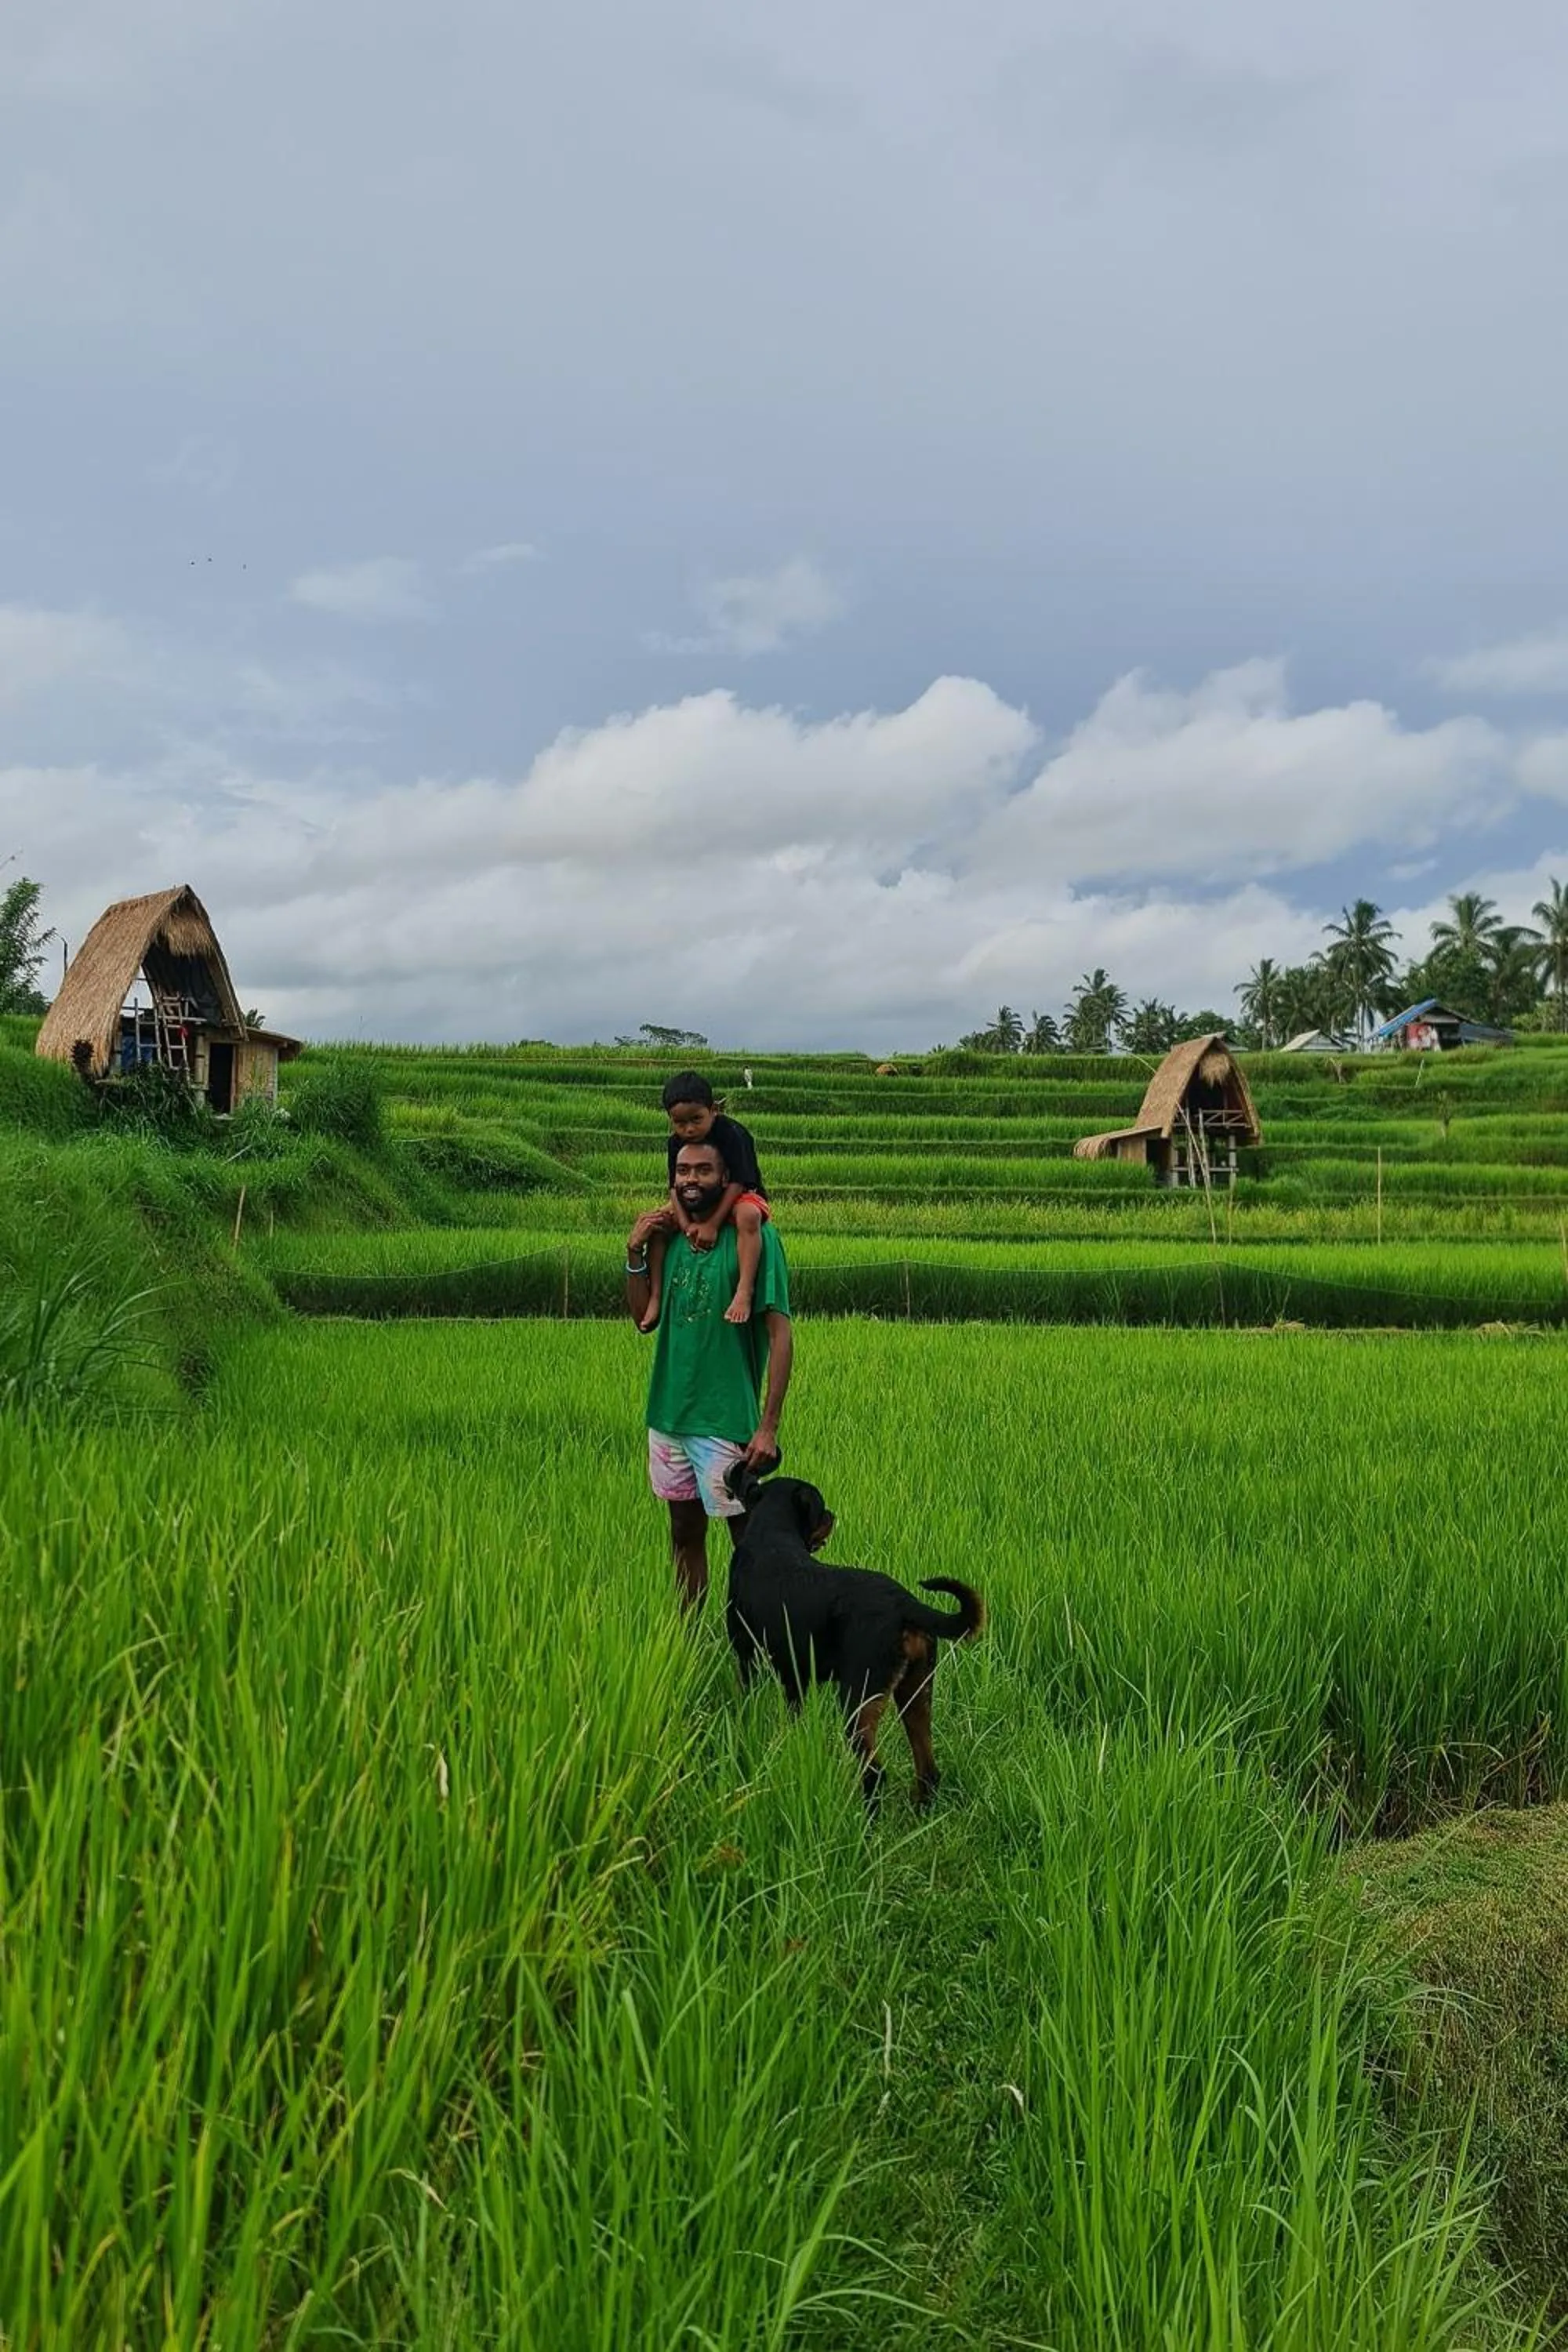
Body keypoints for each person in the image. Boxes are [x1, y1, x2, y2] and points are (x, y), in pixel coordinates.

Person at [626, 1135, 793, 1611]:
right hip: (669, 1416)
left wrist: (768, 1426)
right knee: (683, 1534)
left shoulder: (755, 1237)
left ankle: (763, 1647)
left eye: (703, 1170)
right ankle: (691, 1638)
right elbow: (643, 1320)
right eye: (682, 1171)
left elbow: (781, 1334)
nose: (690, 1180)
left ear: (726, 1177)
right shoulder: (667, 1236)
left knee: (749, 1540)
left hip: (725, 1420)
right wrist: (634, 1252)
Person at [636, 1071, 770, 1333]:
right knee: (659, 1224)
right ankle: (656, 1297)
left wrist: (711, 1225)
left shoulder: (732, 1133)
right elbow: (674, 1188)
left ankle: (744, 1290)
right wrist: (687, 1226)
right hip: (694, 1200)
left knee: (748, 1217)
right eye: (679, 1123)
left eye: (696, 1120)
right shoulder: (676, 1143)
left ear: (713, 1110)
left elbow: (738, 1183)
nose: (689, 1129)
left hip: (739, 1194)